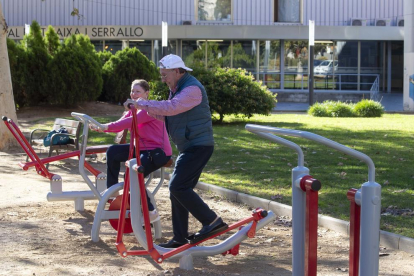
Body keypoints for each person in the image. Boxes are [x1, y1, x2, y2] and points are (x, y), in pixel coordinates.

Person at [124, 54, 227, 248]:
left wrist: (140, 104)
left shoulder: (192, 89)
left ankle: (212, 222)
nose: (162, 79)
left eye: (165, 75)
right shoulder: (177, 88)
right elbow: (169, 116)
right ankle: (180, 237)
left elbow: (172, 108)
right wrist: (144, 109)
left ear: (177, 71)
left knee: (178, 187)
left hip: (199, 146)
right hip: (189, 146)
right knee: (177, 190)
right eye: (161, 75)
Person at [93, 79, 172, 223]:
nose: (134, 94)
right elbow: (120, 123)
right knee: (112, 152)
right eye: (132, 91)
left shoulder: (149, 109)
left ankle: (150, 210)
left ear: (146, 94)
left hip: (157, 152)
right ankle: (112, 191)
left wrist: (106, 126)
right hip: (141, 149)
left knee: (133, 174)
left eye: (138, 91)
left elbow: (127, 123)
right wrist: (100, 127)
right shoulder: (133, 109)